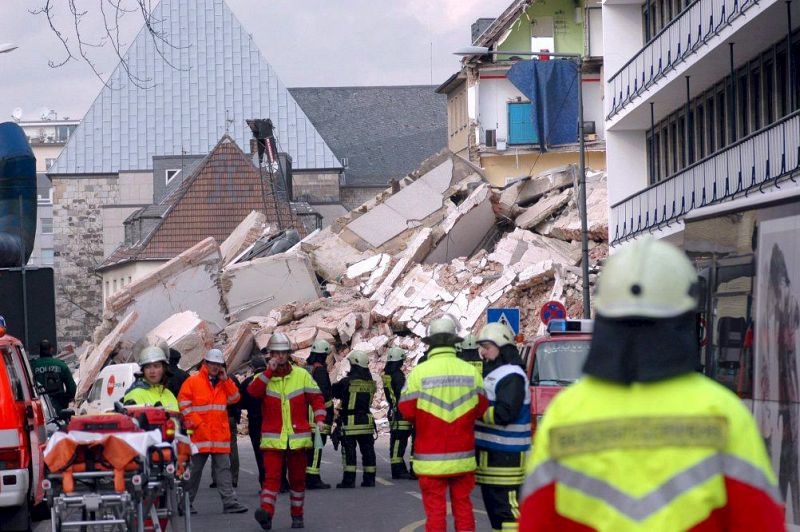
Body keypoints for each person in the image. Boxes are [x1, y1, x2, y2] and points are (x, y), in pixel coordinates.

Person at [518, 238, 784, 530]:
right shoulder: (724, 414)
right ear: (686, 315)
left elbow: (536, 522)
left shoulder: (564, 414)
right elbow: (762, 521)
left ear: (605, 311)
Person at [398, 317, 488, 532]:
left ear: (430, 343)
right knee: (463, 507)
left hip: (430, 459)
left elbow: (407, 411)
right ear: (454, 341)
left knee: (435, 512)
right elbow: (482, 408)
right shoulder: (470, 372)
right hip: (463, 457)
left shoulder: (419, 373)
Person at [247, 333, 326, 530]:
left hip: (298, 440)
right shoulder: (262, 377)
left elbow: (316, 398)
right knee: (271, 478)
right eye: (276, 353)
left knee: (298, 480)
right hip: (274, 440)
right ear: (270, 355)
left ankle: (297, 516)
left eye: (283, 353)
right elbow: (253, 393)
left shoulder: (302, 375)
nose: (280, 357)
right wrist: (268, 373)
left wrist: (320, 418)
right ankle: (266, 513)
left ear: (288, 354)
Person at [474, 322, 529, 532]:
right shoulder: (496, 374)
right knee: (499, 517)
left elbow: (505, 413)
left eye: (487, 347)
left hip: (507, 460)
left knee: (510, 516)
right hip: (493, 459)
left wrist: (475, 411)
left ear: (502, 346)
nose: (483, 353)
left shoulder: (512, 375)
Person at [178, 348, 248, 515]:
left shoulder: (224, 383)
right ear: (206, 363)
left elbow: (235, 398)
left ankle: (230, 503)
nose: (215, 367)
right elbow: (183, 405)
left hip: (218, 436)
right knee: (193, 472)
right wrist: (197, 424)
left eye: (218, 364)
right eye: (212, 364)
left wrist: (226, 381)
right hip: (200, 436)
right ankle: (184, 504)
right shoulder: (193, 382)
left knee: (224, 471)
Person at [332, 350, 378, 488]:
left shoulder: (347, 382)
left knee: (349, 452)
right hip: (366, 422)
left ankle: (349, 481)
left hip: (350, 423)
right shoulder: (371, 383)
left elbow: (334, 392)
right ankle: (369, 480)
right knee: (368, 452)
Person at [305, 339, 334, 490]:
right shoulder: (320, 371)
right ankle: (313, 478)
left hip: (305, 414)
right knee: (317, 447)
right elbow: (324, 395)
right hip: (316, 416)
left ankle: (305, 477)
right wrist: (330, 411)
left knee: (307, 449)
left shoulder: (306, 368)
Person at [381, 346, 414, 480]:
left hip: (393, 411)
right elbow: (403, 395)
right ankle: (397, 469)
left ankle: (400, 467)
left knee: (396, 440)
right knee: (399, 441)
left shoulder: (387, 375)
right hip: (401, 413)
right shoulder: (398, 376)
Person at [123, 346, 179, 410]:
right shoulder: (135, 394)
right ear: (143, 370)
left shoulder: (168, 393)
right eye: (147, 367)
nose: (152, 371)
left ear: (164, 368)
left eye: (156, 366)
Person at [241, 355, 267, 486]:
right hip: (272, 421)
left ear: (252, 368)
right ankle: (281, 482)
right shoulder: (273, 380)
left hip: (255, 422)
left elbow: (241, 402)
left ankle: (264, 481)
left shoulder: (248, 382)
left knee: (259, 453)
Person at [31, 339, 76, 412]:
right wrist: (67, 399)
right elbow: (71, 387)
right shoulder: (61, 365)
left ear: (39, 350)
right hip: (58, 406)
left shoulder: (32, 365)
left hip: (38, 406)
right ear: (51, 349)